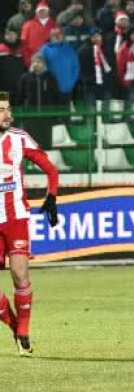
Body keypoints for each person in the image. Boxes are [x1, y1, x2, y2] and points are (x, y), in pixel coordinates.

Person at [0, 91, 60, 356]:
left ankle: (24, 330)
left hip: (16, 217)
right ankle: (15, 326)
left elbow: (51, 169)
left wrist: (53, 196)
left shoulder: (19, 138)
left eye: (8, 109)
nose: (7, 114)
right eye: (2, 110)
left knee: (20, 275)